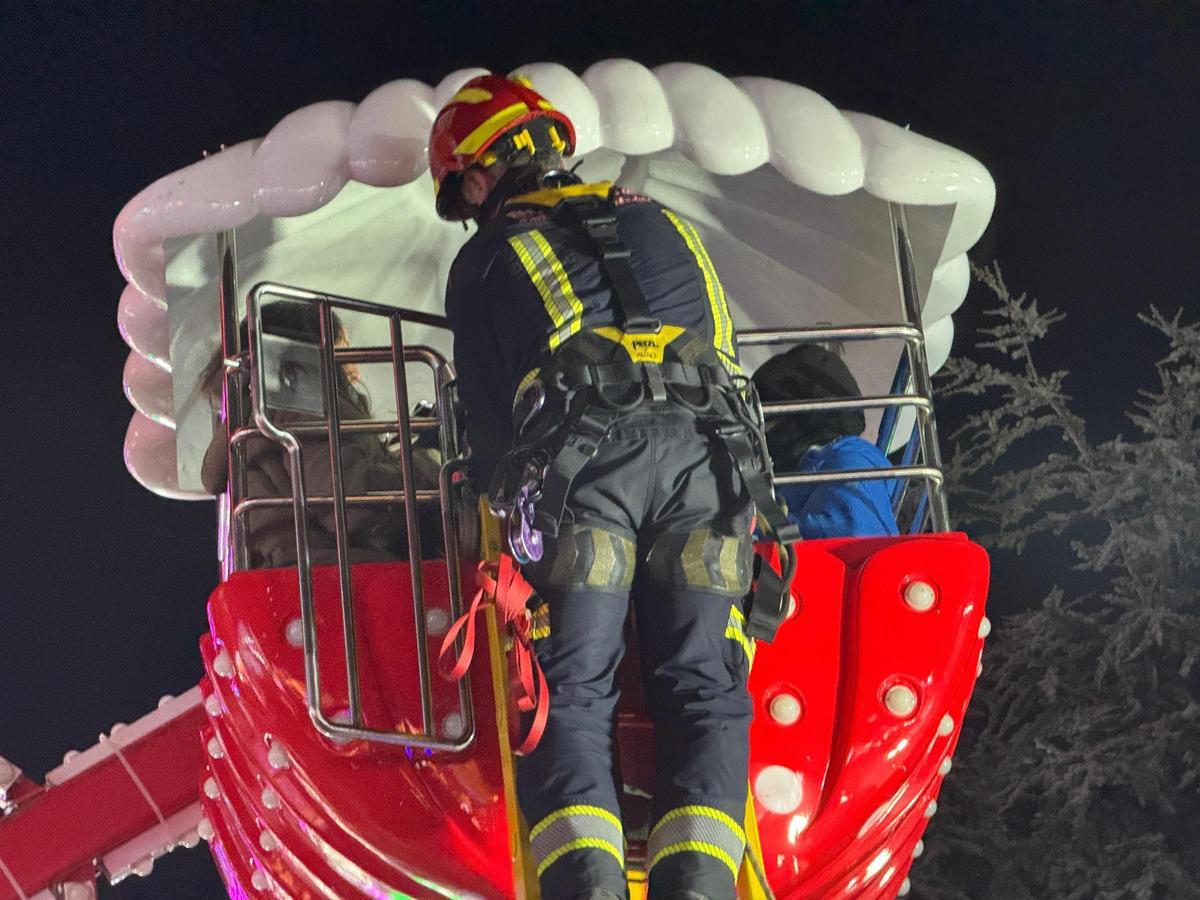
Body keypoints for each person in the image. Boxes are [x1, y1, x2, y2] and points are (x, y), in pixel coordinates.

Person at [432, 73, 793, 900]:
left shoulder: (486, 258)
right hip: (713, 466)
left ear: (479, 176)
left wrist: (493, 504)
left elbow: (490, 433)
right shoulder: (664, 220)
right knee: (705, 691)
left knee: (570, 695)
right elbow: (721, 344)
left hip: (582, 471)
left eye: (463, 192)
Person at [200, 302, 440, 569]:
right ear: (312, 352)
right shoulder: (299, 401)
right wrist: (429, 468)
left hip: (298, 570)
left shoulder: (257, 416)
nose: (356, 371)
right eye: (344, 351)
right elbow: (351, 504)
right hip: (333, 575)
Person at [752, 343, 899, 539]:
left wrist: (748, 527)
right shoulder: (797, 471)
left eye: (766, 421)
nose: (758, 436)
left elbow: (850, 533)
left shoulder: (852, 459)